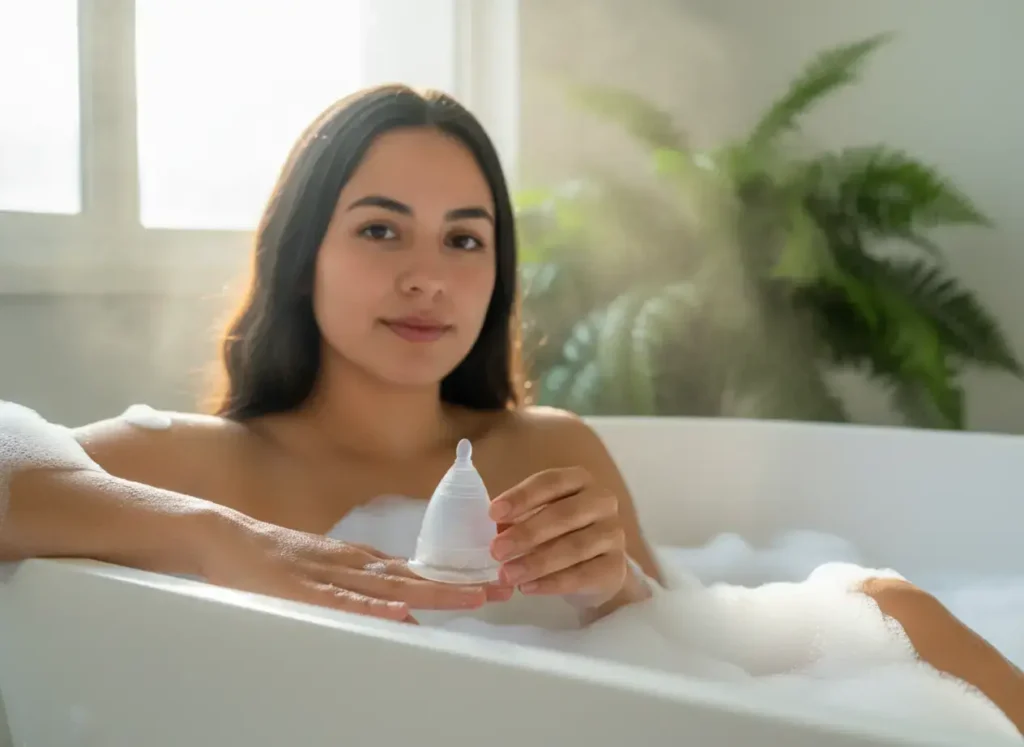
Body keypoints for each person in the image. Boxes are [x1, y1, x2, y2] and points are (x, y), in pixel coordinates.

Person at [0, 84, 1020, 731]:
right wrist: (217, 540)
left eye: (465, 239)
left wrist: (611, 592)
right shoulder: (188, 464)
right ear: (298, 253)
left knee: (893, 609)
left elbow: (689, 668)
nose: (428, 277)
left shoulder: (546, 447)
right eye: (381, 231)